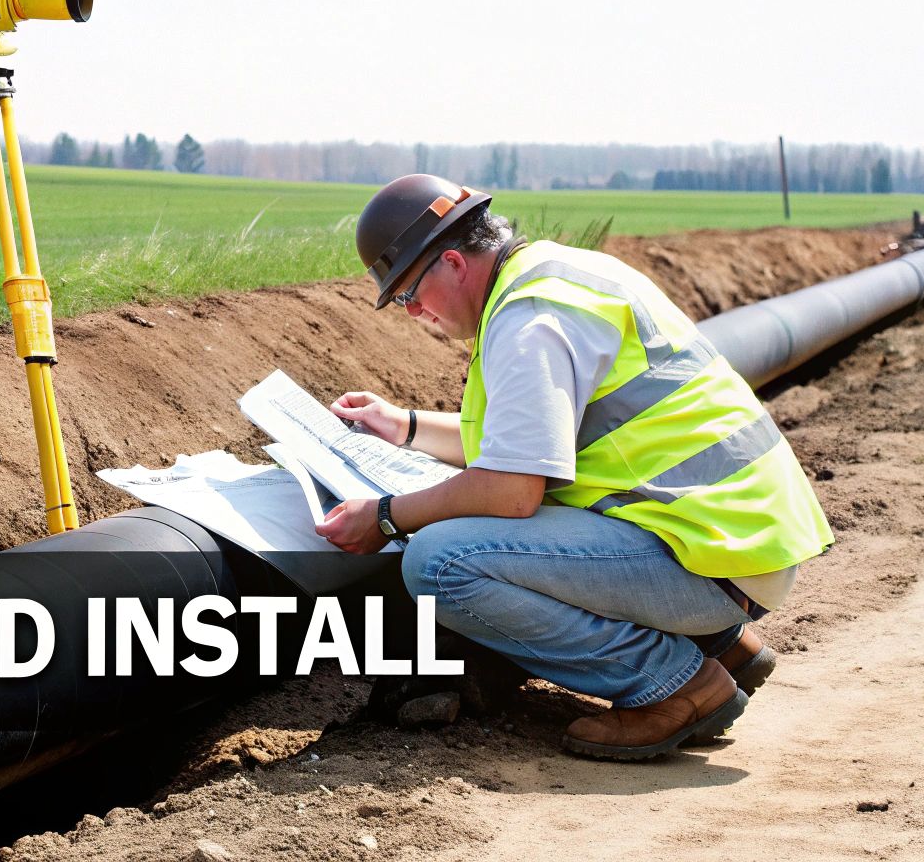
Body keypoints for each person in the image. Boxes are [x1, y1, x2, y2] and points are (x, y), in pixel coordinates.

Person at [318, 173, 834, 760]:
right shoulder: (552, 277)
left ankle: (677, 686)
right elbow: (520, 445)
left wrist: (386, 517)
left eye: (409, 294)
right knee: (479, 524)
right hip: (731, 538)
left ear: (454, 264)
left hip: (712, 559)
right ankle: (724, 645)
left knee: (440, 561)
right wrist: (404, 424)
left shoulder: (528, 320)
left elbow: (512, 491)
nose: (413, 312)